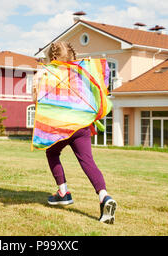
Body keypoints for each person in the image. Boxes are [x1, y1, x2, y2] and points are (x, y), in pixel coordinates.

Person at [32, 41, 117, 224]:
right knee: (88, 161)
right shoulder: (81, 73)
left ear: (53, 58)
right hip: (82, 125)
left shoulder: (48, 73)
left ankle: (63, 192)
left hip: (62, 127)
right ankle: (104, 196)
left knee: (52, 152)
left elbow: (37, 99)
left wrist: (36, 79)